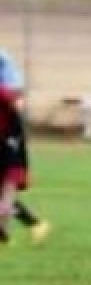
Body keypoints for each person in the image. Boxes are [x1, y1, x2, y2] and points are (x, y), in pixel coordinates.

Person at [0, 49, 46, 246]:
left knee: (7, 191)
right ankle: (28, 226)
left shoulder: (3, 61)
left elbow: (15, 94)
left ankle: (15, 229)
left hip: (9, 141)